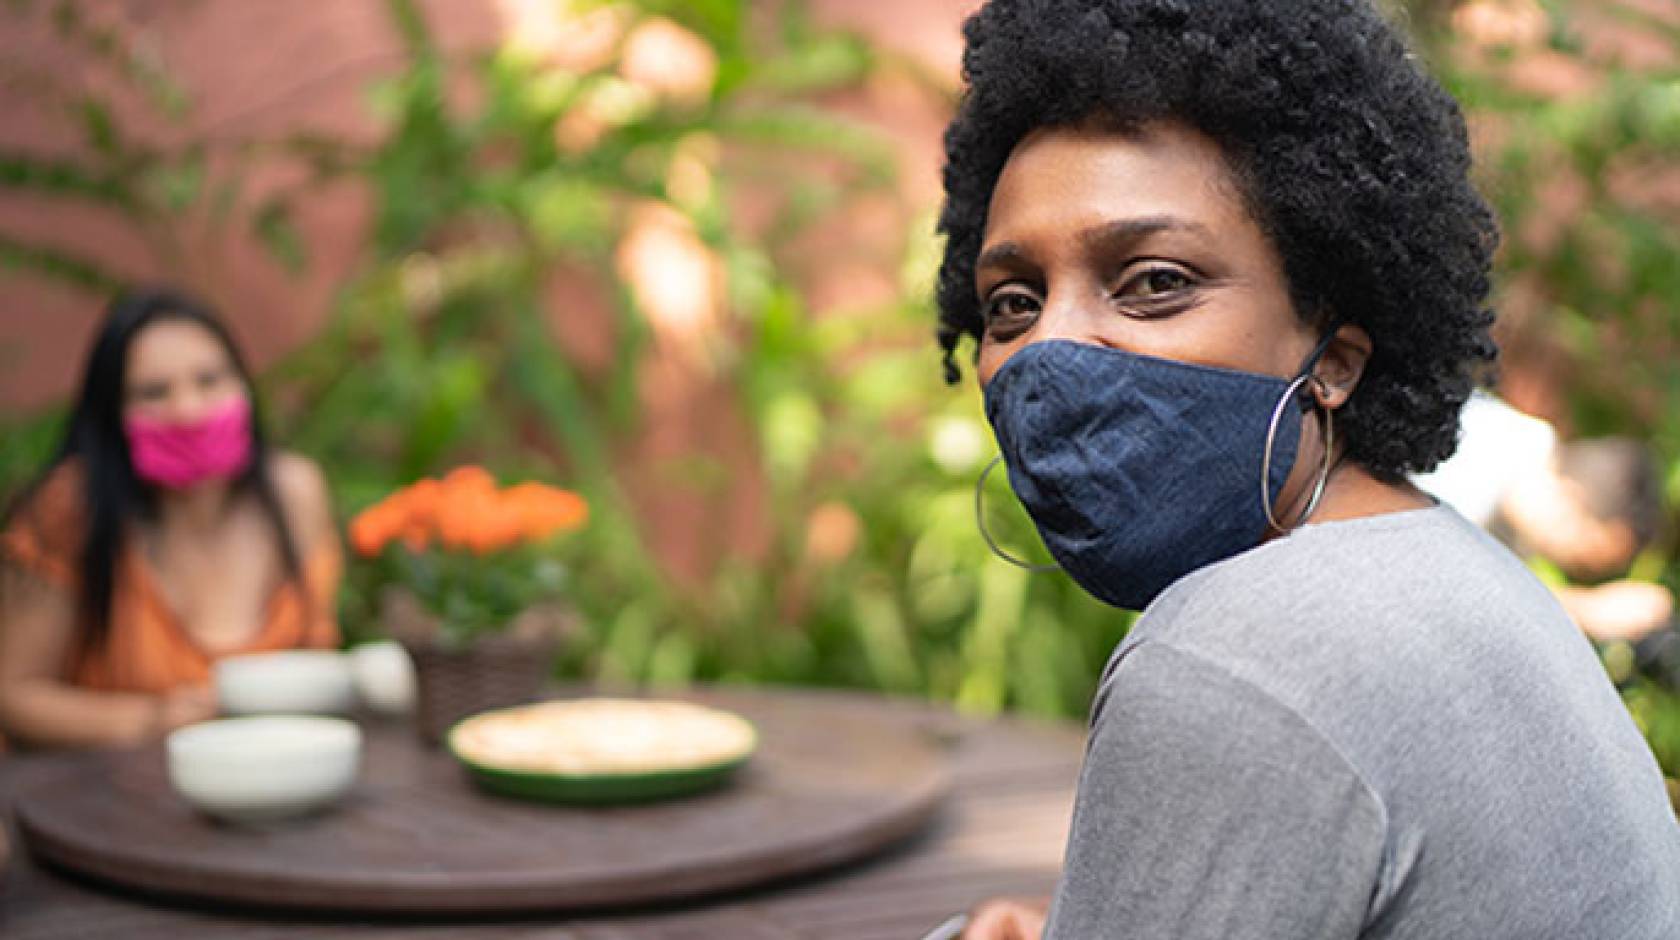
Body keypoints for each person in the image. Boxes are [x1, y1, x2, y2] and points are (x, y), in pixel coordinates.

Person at [933, 1, 1680, 937]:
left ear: (1334, 355)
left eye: (1155, 281)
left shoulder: (1233, 652)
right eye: (1012, 301)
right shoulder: (1456, 568)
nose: (1051, 345)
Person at [0, 288, 340, 748]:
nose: (188, 411)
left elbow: (320, 666)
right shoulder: (71, 509)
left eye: (209, 380)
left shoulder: (294, 494)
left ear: (244, 386)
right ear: (112, 416)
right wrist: (148, 722)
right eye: (153, 392)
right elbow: (14, 695)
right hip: (111, 797)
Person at [1415, 393, 1674, 646]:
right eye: (1583, 560)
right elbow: (1442, 593)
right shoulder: (1484, 449)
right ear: (1575, 503)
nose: (1567, 565)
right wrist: (1587, 612)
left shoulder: (1503, 506)